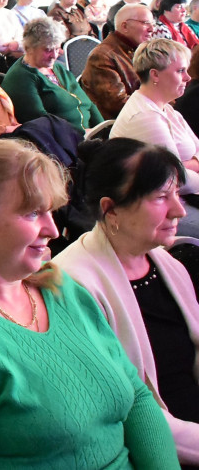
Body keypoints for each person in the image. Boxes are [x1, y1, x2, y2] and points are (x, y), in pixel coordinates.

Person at [0, 139, 177, 468]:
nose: (53, 230)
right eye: (32, 213)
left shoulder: (59, 287)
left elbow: (137, 399)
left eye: (50, 211)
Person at [56, 138, 199, 467]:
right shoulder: (74, 285)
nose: (178, 209)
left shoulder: (170, 264)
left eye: (176, 193)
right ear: (112, 209)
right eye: (161, 197)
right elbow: (128, 414)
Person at [110, 38, 199, 236]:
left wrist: (186, 164)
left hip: (177, 199)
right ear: (155, 74)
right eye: (180, 71)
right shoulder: (145, 117)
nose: (188, 78)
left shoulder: (166, 109)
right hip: (155, 211)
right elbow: (176, 178)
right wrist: (186, 166)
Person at [1, 17, 103, 133]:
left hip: (90, 136)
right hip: (64, 142)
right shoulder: (21, 77)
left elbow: (88, 104)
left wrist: (103, 129)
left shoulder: (57, 68)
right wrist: (83, 134)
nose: (54, 55)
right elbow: (41, 122)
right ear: (29, 48)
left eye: (57, 48)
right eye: (48, 50)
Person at [81, 3, 155, 119]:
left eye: (152, 24)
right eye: (145, 23)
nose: (152, 29)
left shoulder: (140, 51)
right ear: (125, 26)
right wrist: (158, 107)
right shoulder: (102, 56)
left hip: (145, 115)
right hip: (122, 125)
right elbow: (118, 105)